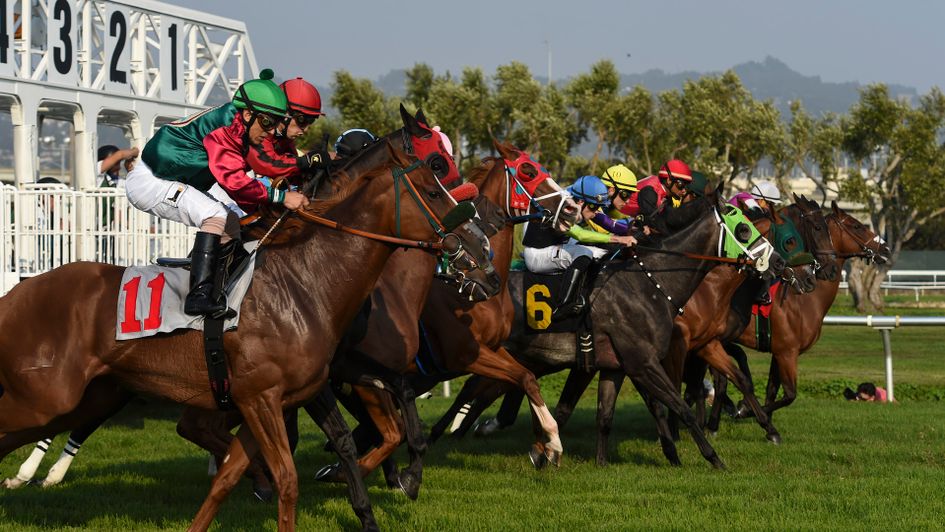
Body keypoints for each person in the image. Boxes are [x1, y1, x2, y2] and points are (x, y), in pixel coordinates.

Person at [125, 69, 313, 317]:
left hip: (171, 179)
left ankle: (220, 289)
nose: (270, 131)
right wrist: (281, 198)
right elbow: (235, 182)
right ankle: (198, 297)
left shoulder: (239, 128)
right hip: (151, 180)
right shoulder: (224, 132)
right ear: (247, 114)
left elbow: (239, 191)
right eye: (267, 122)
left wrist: (265, 207)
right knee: (214, 214)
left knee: (232, 222)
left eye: (276, 123)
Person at [522, 175, 637, 317]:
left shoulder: (580, 202)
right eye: (594, 207)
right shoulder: (564, 207)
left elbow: (609, 223)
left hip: (554, 245)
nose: (596, 212)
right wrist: (618, 240)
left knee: (599, 252)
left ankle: (584, 293)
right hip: (537, 254)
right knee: (584, 253)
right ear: (581, 201)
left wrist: (634, 227)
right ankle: (564, 306)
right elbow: (580, 234)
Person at [246, 77, 328, 184]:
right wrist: (306, 161)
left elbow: (291, 169)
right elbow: (266, 164)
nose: (306, 129)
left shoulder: (282, 137)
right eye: (302, 120)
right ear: (285, 113)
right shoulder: (258, 127)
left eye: (311, 121)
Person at [619, 159, 693, 231]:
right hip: (615, 221)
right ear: (669, 181)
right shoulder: (650, 190)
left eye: (686, 186)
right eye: (681, 185)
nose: (684, 191)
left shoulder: (666, 194)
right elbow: (654, 222)